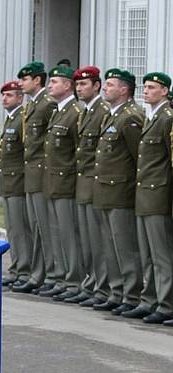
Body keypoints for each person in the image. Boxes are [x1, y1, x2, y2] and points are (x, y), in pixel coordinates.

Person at [91, 68, 144, 314]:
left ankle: (131, 294)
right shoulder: (111, 115)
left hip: (121, 193)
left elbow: (138, 159)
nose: (105, 88)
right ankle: (117, 291)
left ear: (124, 90)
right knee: (110, 247)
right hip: (105, 191)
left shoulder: (131, 116)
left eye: (110, 85)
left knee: (125, 247)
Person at [123, 72, 173, 325]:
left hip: (158, 193)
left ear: (164, 91)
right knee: (148, 254)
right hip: (144, 193)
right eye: (146, 87)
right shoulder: (152, 117)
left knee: (161, 255)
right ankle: (149, 300)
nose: (147, 91)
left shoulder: (166, 119)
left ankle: (166, 304)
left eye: (153, 87)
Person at [11, 61, 57, 294]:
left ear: (37, 80)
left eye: (25, 79)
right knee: (35, 226)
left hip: (41, 173)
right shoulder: (32, 105)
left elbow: (49, 145)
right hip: (30, 172)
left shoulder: (47, 105)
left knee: (43, 228)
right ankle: (36, 273)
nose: (21, 83)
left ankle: (45, 274)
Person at [42, 63, 84, 301]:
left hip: (66, 183)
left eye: (54, 82)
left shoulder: (75, 113)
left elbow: (78, 152)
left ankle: (73, 280)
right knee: (57, 233)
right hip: (53, 182)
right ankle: (61, 277)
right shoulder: (58, 111)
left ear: (67, 86)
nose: (50, 85)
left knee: (69, 235)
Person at [72, 66, 111, 307]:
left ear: (96, 85)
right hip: (83, 181)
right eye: (77, 84)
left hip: (96, 183)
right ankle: (91, 283)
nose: (79, 88)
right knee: (87, 240)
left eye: (84, 84)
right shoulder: (86, 111)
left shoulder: (102, 111)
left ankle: (101, 286)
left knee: (98, 240)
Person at [0, 79, 32, 287]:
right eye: (3, 95)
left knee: (21, 229)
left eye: (9, 95)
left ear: (20, 97)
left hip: (18, 181)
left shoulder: (22, 118)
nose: (4, 98)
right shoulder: (11, 119)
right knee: (13, 229)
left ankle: (24, 269)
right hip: (8, 181)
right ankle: (17, 268)